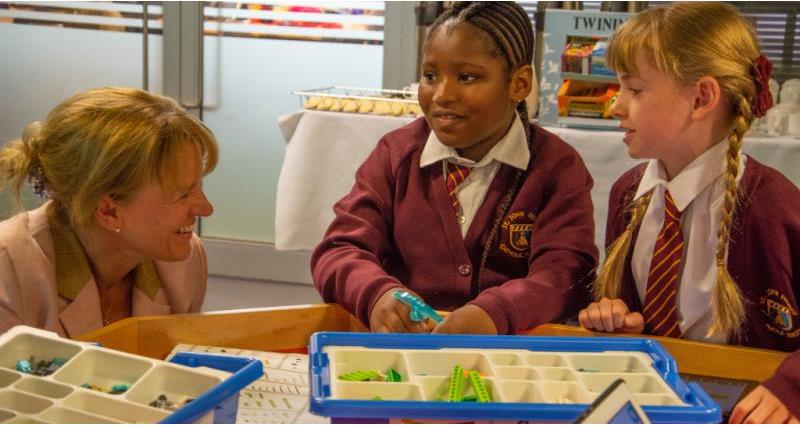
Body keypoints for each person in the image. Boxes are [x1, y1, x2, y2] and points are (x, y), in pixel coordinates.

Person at [312, 2, 597, 335]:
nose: (442, 94)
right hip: (405, 356)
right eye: (430, 76)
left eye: (466, 77)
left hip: (509, 363)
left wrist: (496, 312)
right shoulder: (396, 155)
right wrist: (378, 294)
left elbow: (565, 274)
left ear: (519, 84)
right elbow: (339, 250)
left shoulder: (556, 167)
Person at [576, 3, 799, 423]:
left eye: (634, 90)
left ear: (701, 98)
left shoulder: (776, 210)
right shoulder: (629, 195)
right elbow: (630, 310)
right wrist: (616, 319)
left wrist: (791, 387)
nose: (615, 107)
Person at [0, 87, 218, 337]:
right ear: (108, 211)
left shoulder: (183, 263)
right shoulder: (8, 271)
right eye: (183, 194)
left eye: (198, 185)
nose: (206, 209)